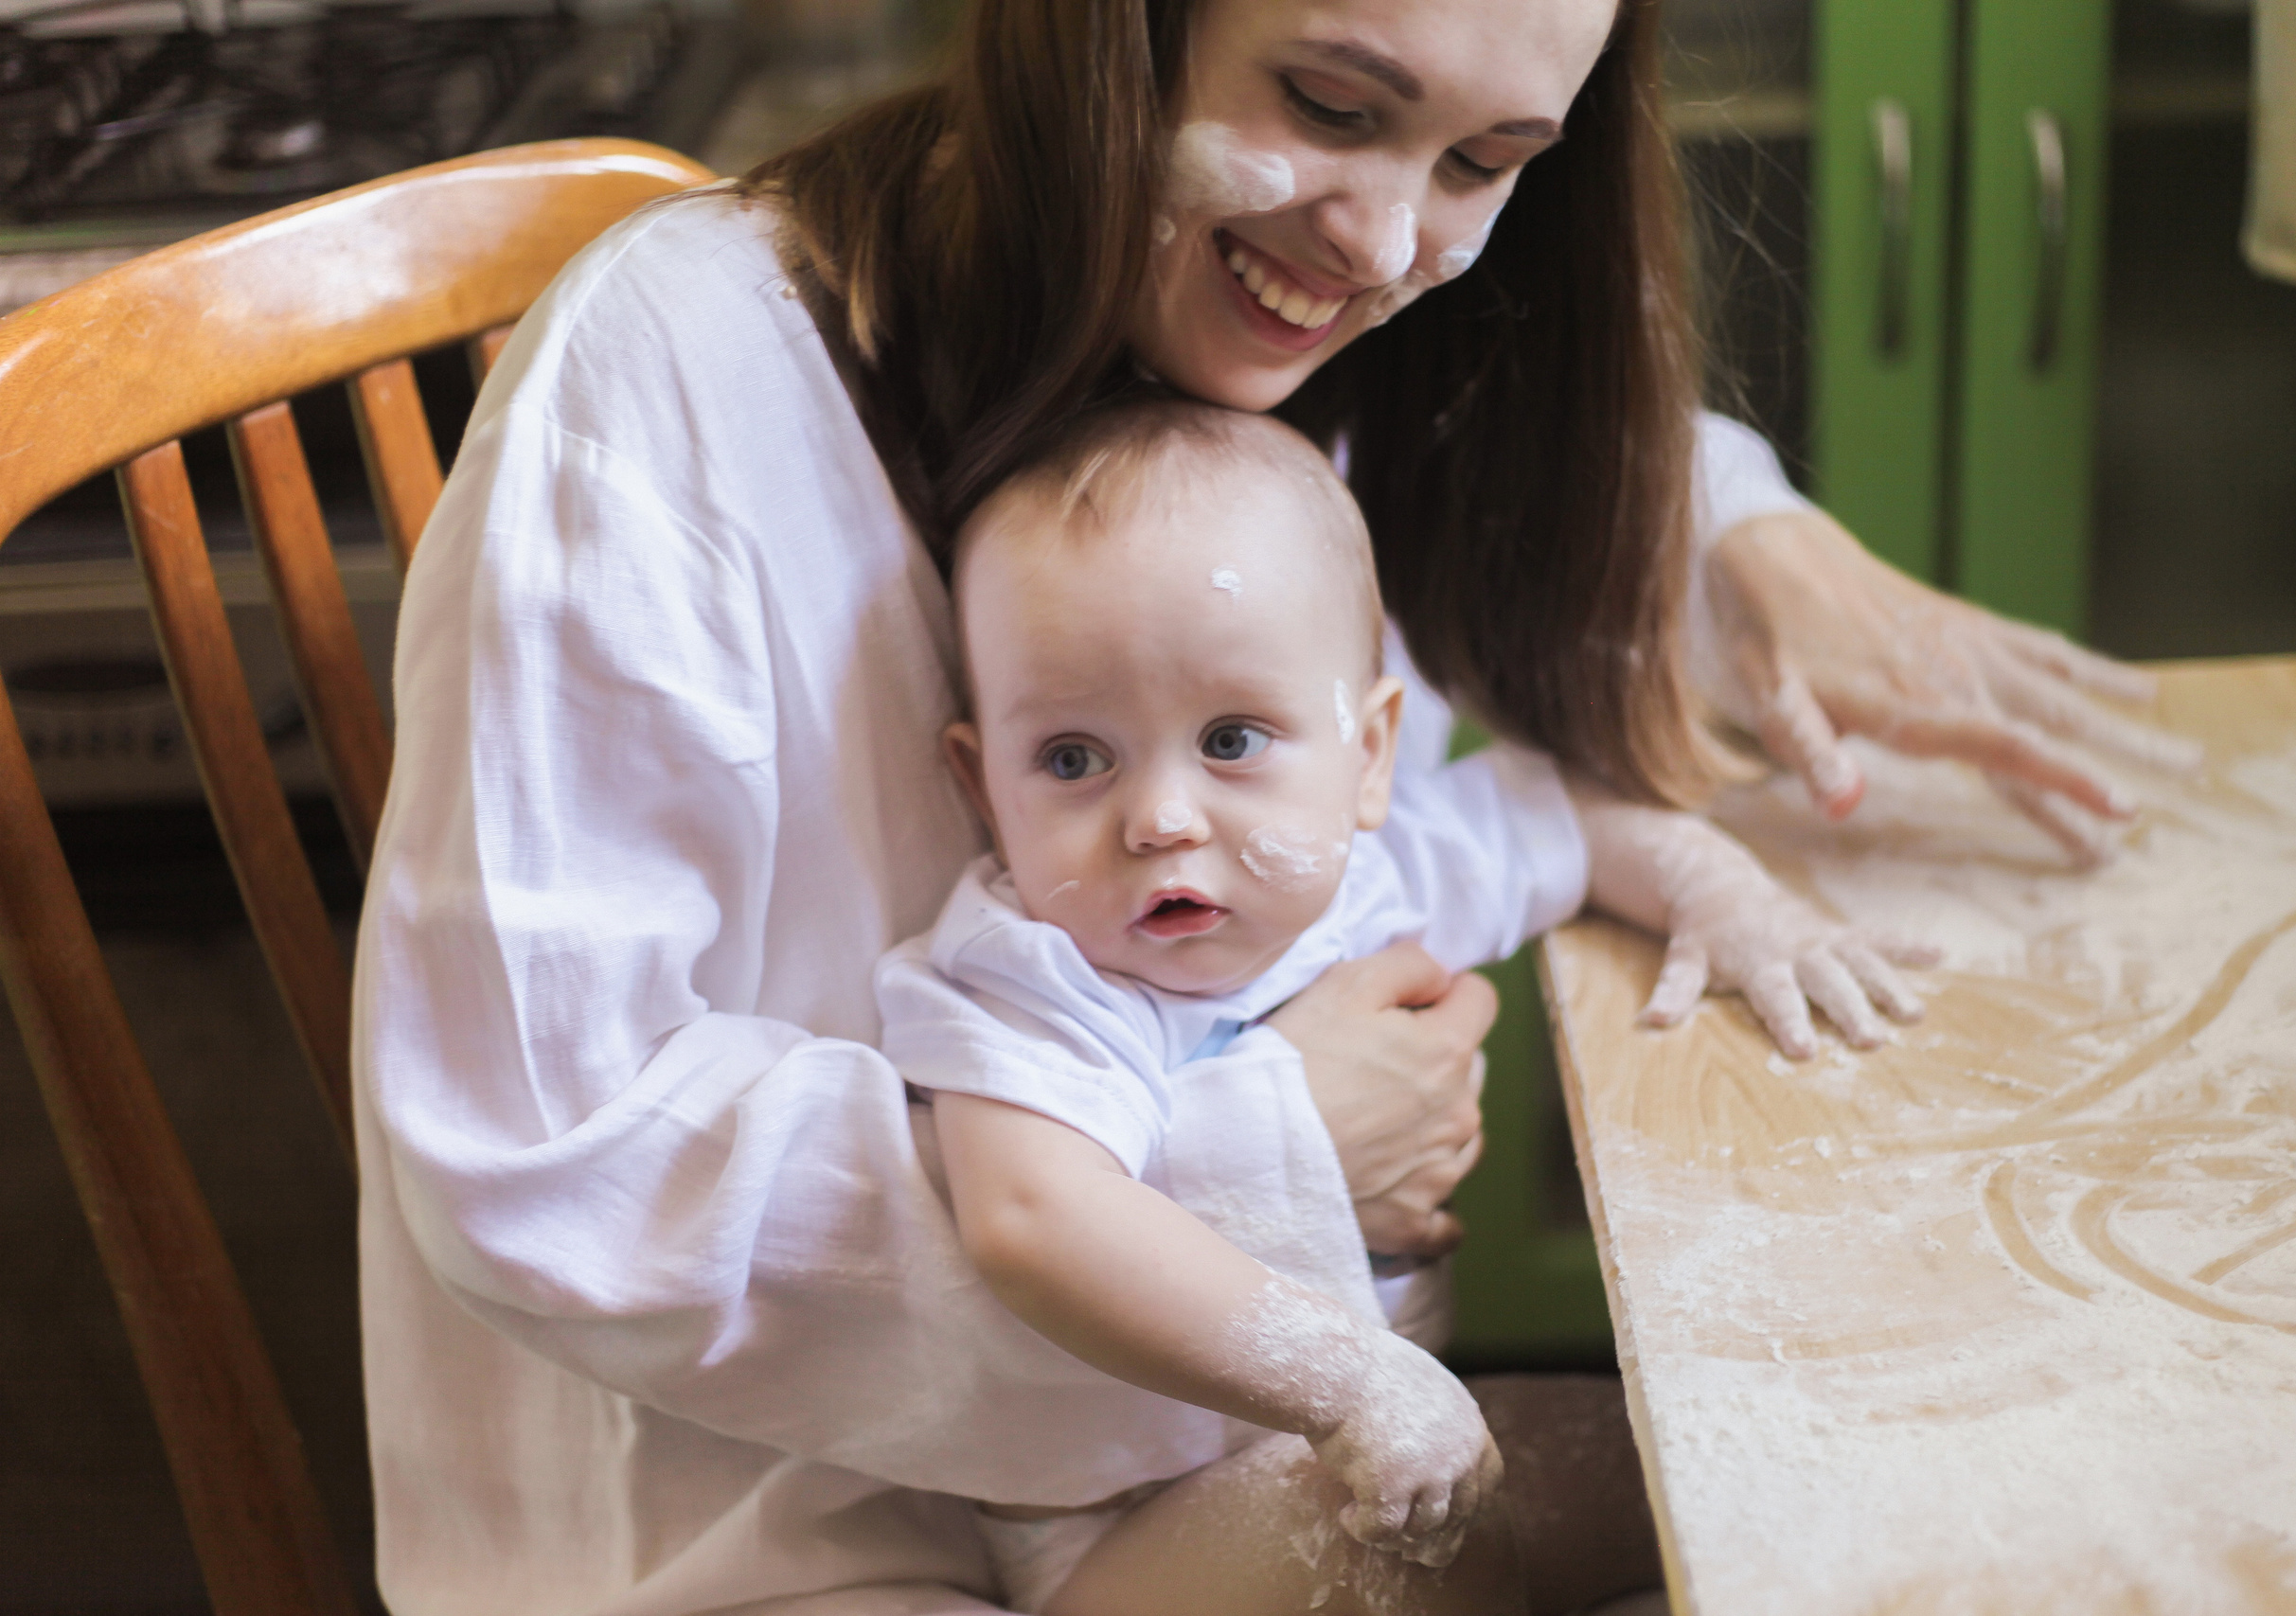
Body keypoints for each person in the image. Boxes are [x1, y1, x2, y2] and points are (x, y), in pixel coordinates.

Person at [354, 0, 2191, 1611]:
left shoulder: (1236, 336)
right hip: (759, 1541)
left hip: (1215, 1463)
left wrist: (1735, 522)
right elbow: (539, 1154)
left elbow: (1507, 510)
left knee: (1800, 1480)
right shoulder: (664, 384)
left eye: (1484, 159)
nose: (1386, 239)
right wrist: (1264, 1139)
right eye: (1323, 102)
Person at [881, 398, 1930, 1614]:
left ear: (1368, 754)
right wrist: (1344, 1384)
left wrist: (1734, 905)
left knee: (1704, 1472)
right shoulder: (1032, 975)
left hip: (1380, 1452)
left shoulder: (1371, 869)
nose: (1159, 817)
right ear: (979, 782)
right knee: (1424, 1553)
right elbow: (1030, 1216)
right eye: (1071, 758)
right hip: (1127, 1542)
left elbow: (1580, 828)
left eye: (1230, 740)